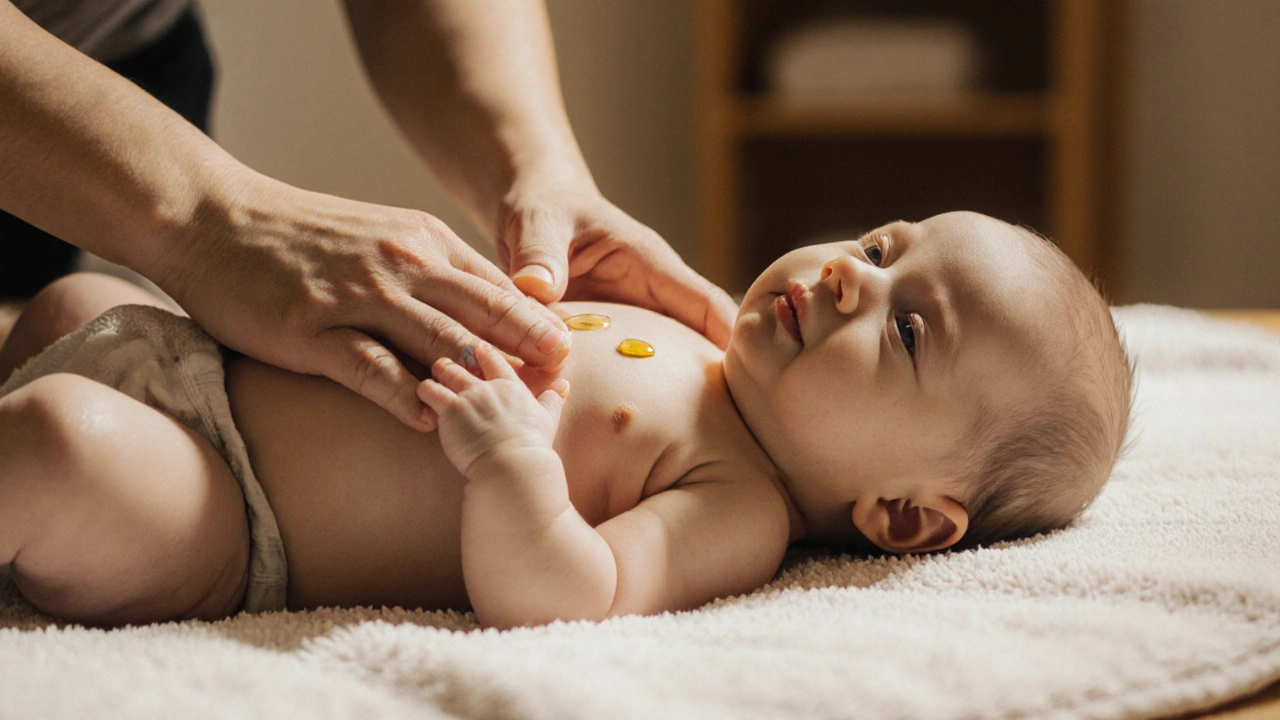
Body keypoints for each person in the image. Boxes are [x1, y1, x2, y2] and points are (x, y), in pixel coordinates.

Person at [0, 211, 1133, 627]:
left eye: (907, 331)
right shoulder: (694, 341)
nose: (849, 275)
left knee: (55, 443)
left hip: (230, 513)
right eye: (882, 247)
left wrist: (514, 470)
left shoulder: (736, 503)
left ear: (902, 517)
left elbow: (569, 596)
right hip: (208, 362)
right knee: (72, 304)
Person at [0, 0, 738, 431]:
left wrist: (534, 168)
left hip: (113, 64)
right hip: (55, 115)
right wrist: (214, 220)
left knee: (64, 339)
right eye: (863, 249)